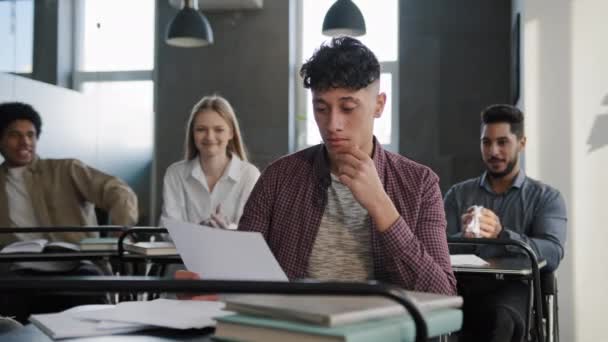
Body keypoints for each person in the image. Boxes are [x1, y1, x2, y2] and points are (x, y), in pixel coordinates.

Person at [178, 37, 456, 295]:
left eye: (348, 108)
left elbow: (442, 294)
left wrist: (380, 205)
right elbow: (242, 271)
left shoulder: (419, 184)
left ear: (379, 105)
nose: (333, 124)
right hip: (294, 328)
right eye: (321, 109)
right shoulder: (279, 178)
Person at [443, 104, 567, 342]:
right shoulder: (458, 195)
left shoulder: (546, 197)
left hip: (515, 289)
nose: (493, 151)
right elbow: (436, 247)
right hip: (462, 286)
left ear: (521, 143)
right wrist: (463, 237)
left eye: (502, 142)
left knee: (501, 316)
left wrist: (502, 234)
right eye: (486, 142)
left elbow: (552, 253)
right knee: (426, 308)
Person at [0, 102, 138, 245]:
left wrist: (121, 229)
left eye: (31, 135)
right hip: (17, 265)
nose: (25, 142)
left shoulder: (66, 169)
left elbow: (119, 191)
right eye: (14, 135)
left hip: (77, 261)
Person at [160, 95, 260, 230]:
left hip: (232, 250)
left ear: (231, 133)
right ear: (192, 133)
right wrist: (202, 232)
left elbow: (252, 229)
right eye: (201, 129)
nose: (210, 137)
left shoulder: (249, 174)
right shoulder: (175, 173)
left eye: (218, 130)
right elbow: (168, 229)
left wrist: (227, 229)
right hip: (187, 251)